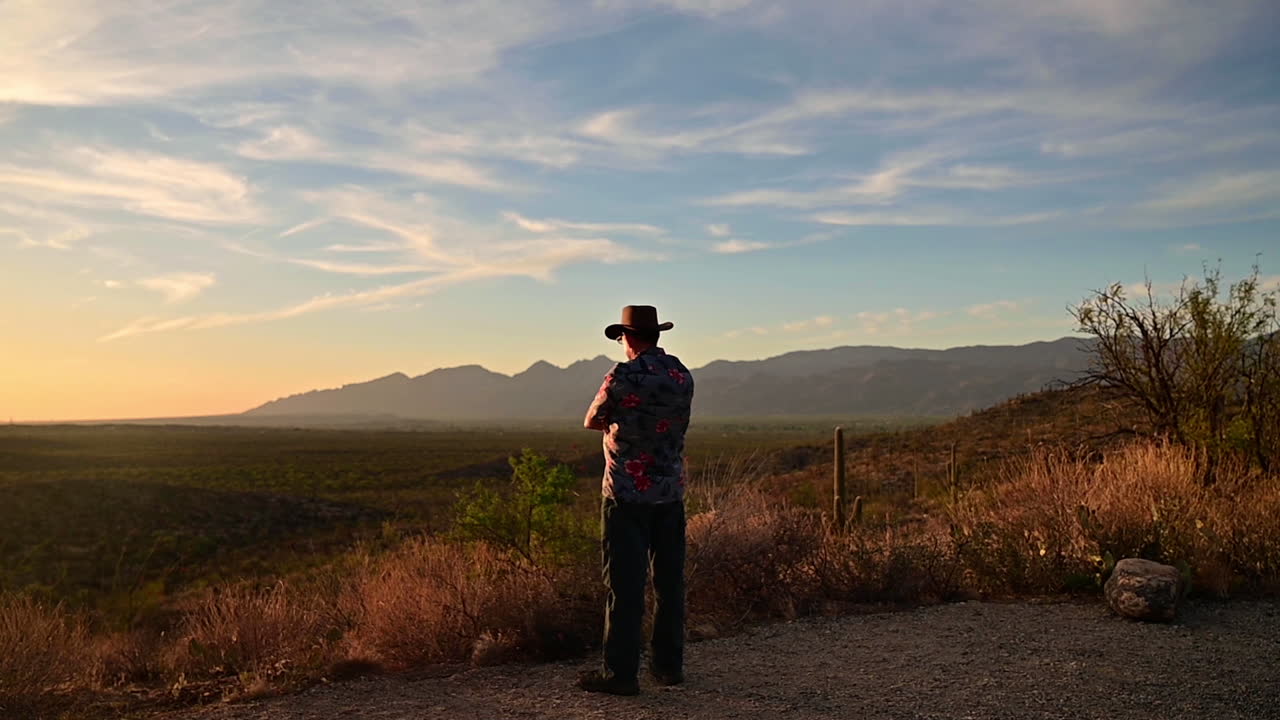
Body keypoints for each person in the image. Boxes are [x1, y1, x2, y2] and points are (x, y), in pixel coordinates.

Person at [577, 305, 694, 696]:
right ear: (656, 335)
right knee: (669, 583)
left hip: (626, 493)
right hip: (670, 493)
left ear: (628, 337)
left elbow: (592, 419)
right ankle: (668, 666)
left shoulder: (623, 375)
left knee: (625, 587)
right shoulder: (681, 375)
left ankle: (621, 674)